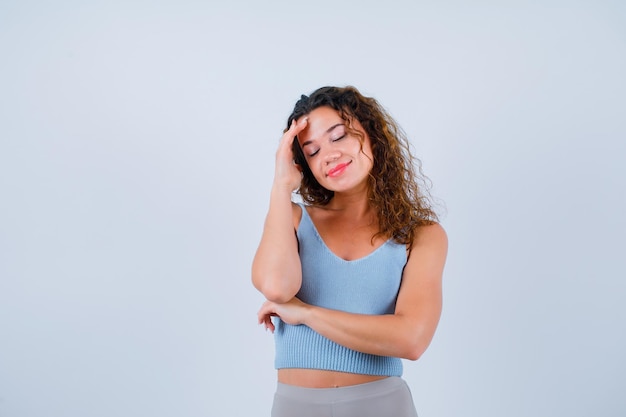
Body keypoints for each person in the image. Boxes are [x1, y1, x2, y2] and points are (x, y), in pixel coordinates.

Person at [252, 86, 448, 417]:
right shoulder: (293, 218)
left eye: (339, 136)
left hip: (383, 405)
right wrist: (280, 185)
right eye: (311, 152)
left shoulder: (420, 235)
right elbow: (276, 287)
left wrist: (307, 314)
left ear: (371, 134)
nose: (328, 155)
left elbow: (412, 339)